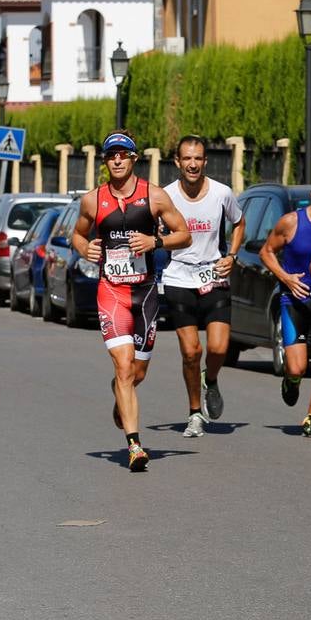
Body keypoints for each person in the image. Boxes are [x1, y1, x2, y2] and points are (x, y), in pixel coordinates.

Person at [72, 131, 191, 472]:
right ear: (106, 161)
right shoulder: (93, 200)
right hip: (111, 292)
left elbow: (184, 234)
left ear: (134, 158)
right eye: (111, 156)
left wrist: (154, 241)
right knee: (123, 368)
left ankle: (121, 398)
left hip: (145, 294)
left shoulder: (154, 197)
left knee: (136, 373)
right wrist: (86, 248)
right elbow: (78, 234)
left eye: (123, 154)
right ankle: (135, 445)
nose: (117, 160)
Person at [161, 136, 244, 437]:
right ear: (177, 162)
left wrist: (232, 256)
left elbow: (240, 223)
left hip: (214, 276)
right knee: (191, 352)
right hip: (179, 278)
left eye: (198, 158)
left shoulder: (222, 193)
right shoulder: (166, 195)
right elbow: (152, 225)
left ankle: (212, 379)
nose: (193, 164)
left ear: (205, 161)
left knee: (219, 348)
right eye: (187, 159)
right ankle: (195, 413)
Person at [259, 171, 311, 439]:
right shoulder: (291, 222)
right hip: (295, 301)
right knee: (296, 366)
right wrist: (286, 278)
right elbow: (266, 252)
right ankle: (291, 379)